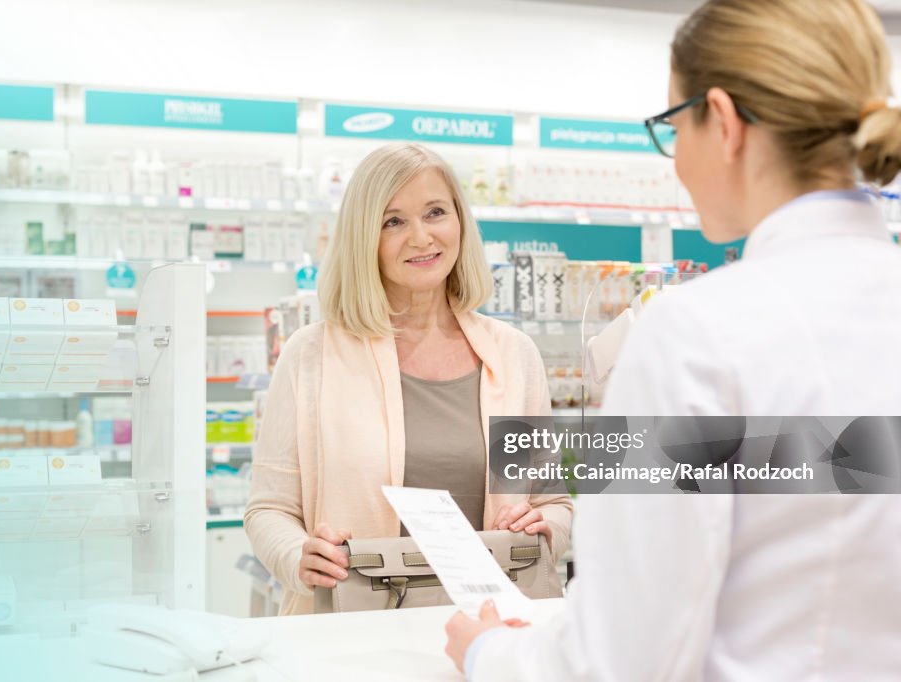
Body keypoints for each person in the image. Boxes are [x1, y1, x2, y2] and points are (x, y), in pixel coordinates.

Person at [446, 0, 901, 678]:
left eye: (671, 125)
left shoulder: (698, 332)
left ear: (721, 120)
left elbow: (623, 660)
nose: (676, 161)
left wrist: (486, 651)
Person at [245, 142, 574, 615]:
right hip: (352, 635)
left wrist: (543, 524)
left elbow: (554, 502)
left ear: (459, 221)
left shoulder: (513, 354)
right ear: (364, 237)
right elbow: (268, 510)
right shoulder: (311, 355)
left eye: (435, 212)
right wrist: (298, 555)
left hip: (493, 632)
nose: (421, 237)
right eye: (393, 221)